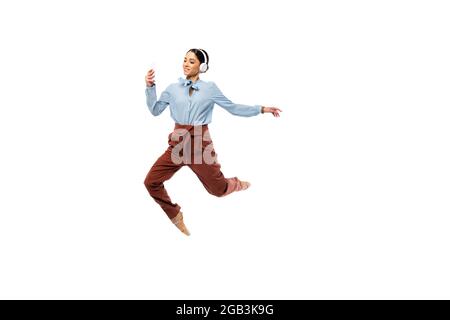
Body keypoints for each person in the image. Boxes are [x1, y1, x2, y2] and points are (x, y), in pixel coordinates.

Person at [144, 48, 282, 236]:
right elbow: (155, 110)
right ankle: (175, 215)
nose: (186, 64)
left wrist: (262, 109)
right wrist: (150, 87)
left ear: (202, 66)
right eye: (184, 60)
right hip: (177, 143)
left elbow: (233, 108)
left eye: (191, 61)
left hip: (201, 144)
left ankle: (236, 184)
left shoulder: (210, 89)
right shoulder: (172, 89)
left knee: (217, 190)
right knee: (151, 181)